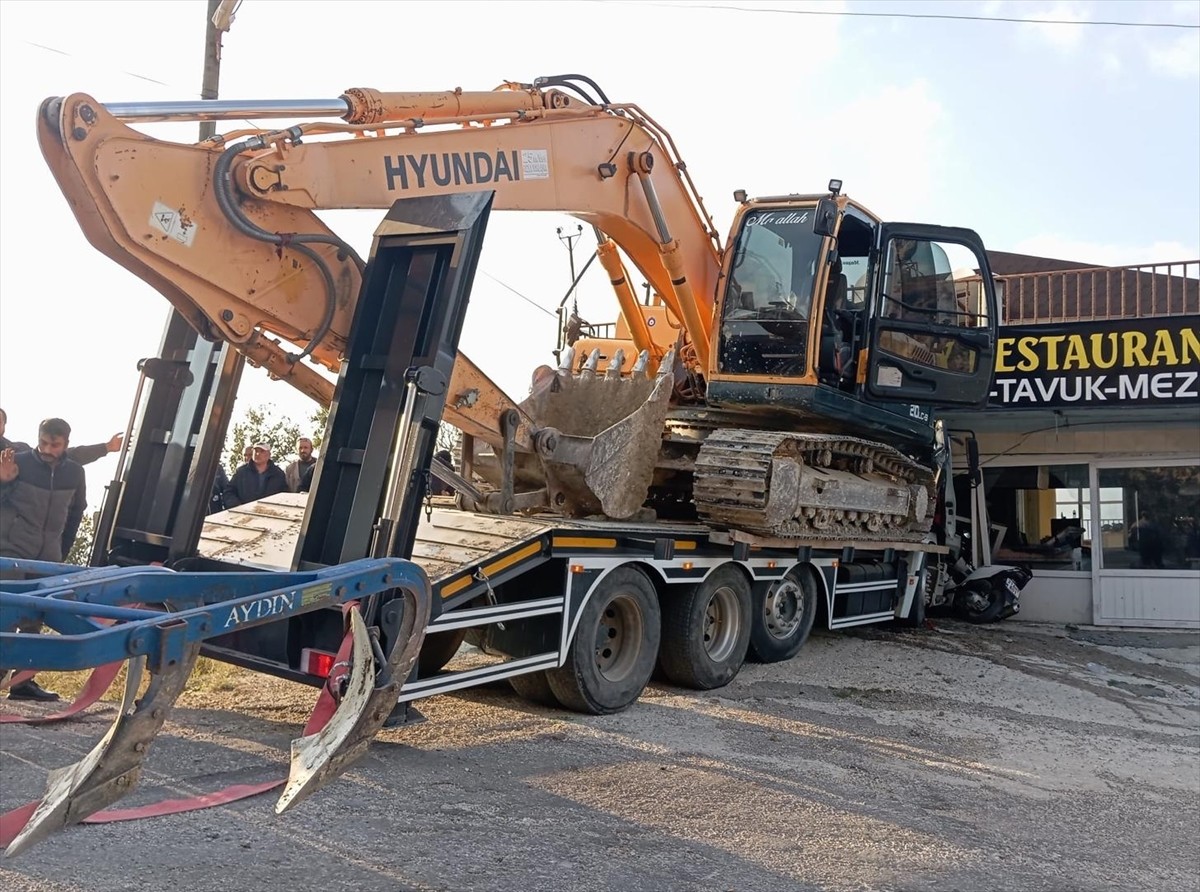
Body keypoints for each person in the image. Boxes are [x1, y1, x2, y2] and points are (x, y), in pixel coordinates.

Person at [0, 418, 89, 702]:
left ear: (66, 444)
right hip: (11, 551)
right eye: (44, 443)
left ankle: (22, 683)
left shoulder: (76, 473)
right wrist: (3, 481)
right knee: (5, 616)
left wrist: (62, 551)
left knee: (35, 618)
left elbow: (76, 513)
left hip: (48, 556)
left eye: (55, 445)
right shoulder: (20, 462)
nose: (48, 450)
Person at [223, 442, 288, 508]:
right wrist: (237, 506)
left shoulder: (278, 474)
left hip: (270, 513)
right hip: (244, 514)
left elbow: (285, 495)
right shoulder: (241, 472)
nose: (258, 454)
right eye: (256, 451)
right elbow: (229, 491)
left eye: (262, 451)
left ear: (268, 454)